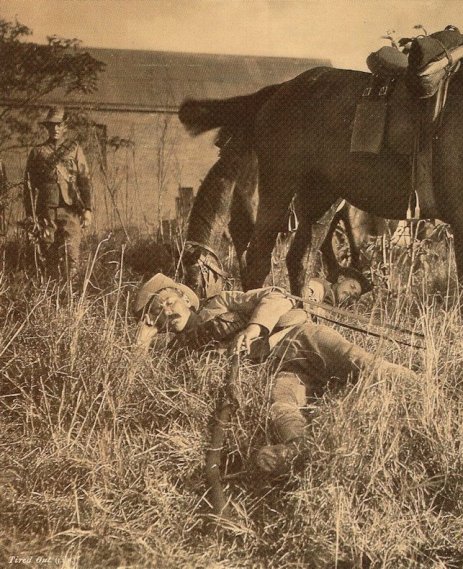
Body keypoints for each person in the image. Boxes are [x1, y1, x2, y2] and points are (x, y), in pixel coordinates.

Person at [133, 273, 416, 479]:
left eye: (168, 302)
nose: (166, 312)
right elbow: (141, 389)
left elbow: (277, 296)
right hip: (277, 370)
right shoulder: (178, 354)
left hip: (296, 338)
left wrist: (254, 328)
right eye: (157, 312)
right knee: (279, 407)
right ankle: (297, 452)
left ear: (185, 298)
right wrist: (142, 343)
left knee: (361, 362)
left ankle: (421, 389)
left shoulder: (219, 303)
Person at [23, 106, 93, 279]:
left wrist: (88, 209)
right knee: (48, 255)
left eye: (59, 125)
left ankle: (72, 297)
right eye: (51, 125)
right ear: (46, 128)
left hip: (71, 210)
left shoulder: (74, 149)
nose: (55, 129)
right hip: (46, 211)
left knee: (72, 256)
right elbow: (29, 186)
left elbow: (84, 180)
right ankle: (53, 296)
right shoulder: (37, 152)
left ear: (65, 127)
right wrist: (30, 214)